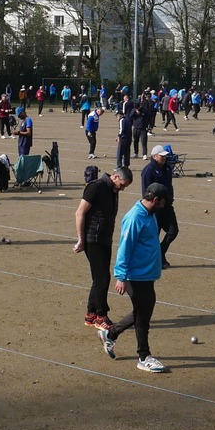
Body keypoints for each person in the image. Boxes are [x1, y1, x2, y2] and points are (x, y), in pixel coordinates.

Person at [99, 182, 170, 373]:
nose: (164, 206)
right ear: (155, 200)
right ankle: (143, 357)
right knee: (143, 316)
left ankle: (110, 334)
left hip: (146, 274)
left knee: (143, 310)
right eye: (163, 202)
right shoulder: (134, 218)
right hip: (135, 276)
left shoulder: (150, 214)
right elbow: (125, 248)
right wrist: (121, 276)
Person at [73, 166, 133, 329]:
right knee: (103, 278)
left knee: (98, 278)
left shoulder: (113, 191)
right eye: (122, 185)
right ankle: (101, 316)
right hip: (93, 239)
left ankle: (91, 314)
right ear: (115, 177)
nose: (122, 189)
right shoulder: (96, 187)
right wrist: (81, 239)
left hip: (105, 239)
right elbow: (80, 213)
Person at [141, 145, 179, 268]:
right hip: (155, 208)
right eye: (161, 156)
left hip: (167, 206)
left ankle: (161, 251)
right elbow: (145, 191)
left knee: (173, 231)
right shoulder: (148, 170)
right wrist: (150, 207)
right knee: (154, 235)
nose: (164, 158)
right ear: (154, 156)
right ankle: (154, 260)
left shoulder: (167, 168)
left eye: (165, 156)